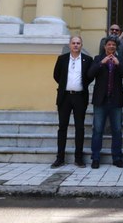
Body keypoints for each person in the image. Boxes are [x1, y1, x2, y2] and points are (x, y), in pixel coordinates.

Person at [51, 36, 93, 168]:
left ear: (81, 45)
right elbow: (56, 75)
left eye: (78, 43)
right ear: (69, 45)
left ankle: (78, 158)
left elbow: (89, 77)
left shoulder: (88, 60)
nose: (75, 45)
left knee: (79, 128)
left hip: (80, 97)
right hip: (65, 97)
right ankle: (60, 158)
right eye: (73, 43)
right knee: (62, 128)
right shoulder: (62, 59)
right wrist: (66, 85)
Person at [88, 36, 123, 169]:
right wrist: (102, 63)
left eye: (113, 45)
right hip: (101, 100)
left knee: (117, 130)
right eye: (109, 45)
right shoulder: (97, 59)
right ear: (104, 47)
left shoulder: (121, 60)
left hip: (116, 100)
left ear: (116, 47)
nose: (111, 47)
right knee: (98, 130)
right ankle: (95, 157)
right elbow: (90, 74)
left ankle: (117, 158)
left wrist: (118, 64)